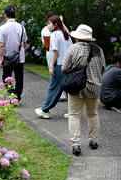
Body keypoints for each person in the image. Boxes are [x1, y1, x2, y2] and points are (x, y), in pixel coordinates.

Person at [60, 24, 106, 155]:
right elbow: (103, 67)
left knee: (74, 115)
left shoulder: (73, 49)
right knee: (93, 114)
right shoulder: (98, 50)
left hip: (76, 87)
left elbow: (64, 69)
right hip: (94, 87)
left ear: (78, 38)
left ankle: (76, 144)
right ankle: (93, 141)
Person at [35, 15, 72, 118]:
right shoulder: (66, 34)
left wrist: (51, 66)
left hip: (59, 65)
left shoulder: (55, 35)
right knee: (69, 89)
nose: (47, 26)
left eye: (49, 24)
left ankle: (45, 109)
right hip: (68, 65)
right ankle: (72, 111)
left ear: (55, 25)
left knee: (53, 88)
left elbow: (55, 51)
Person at [0, 5, 28, 102]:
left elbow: (1, 45)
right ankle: (17, 95)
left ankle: (11, 92)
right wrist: (23, 52)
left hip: (7, 56)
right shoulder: (21, 27)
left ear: (5, 15)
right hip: (19, 57)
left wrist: (0, 58)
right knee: (19, 77)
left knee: (6, 76)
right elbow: (24, 42)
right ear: (15, 15)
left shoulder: (3, 28)